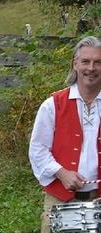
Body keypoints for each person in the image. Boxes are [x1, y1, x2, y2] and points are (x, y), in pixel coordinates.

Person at [29, 36, 101, 233]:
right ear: (75, 64)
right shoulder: (53, 105)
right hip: (60, 198)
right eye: (85, 61)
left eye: (98, 62)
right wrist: (62, 173)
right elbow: (38, 149)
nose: (91, 68)